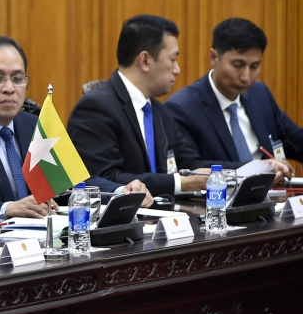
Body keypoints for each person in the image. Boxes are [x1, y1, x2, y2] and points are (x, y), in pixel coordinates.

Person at [0, 36, 153, 220]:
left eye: (17, 79)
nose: (9, 88)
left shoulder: (34, 124)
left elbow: (70, 183)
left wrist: (121, 191)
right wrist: (6, 209)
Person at [67, 15, 240, 199]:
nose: (177, 70)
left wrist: (255, 170)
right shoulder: (95, 107)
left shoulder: (159, 111)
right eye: (173, 60)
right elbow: (104, 178)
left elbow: (190, 163)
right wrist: (181, 183)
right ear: (145, 61)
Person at [165, 18, 300, 171]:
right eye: (238, 65)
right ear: (214, 57)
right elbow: (191, 167)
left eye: (254, 66)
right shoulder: (183, 108)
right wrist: (258, 168)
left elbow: (294, 140)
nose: (246, 77)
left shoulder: (260, 94)